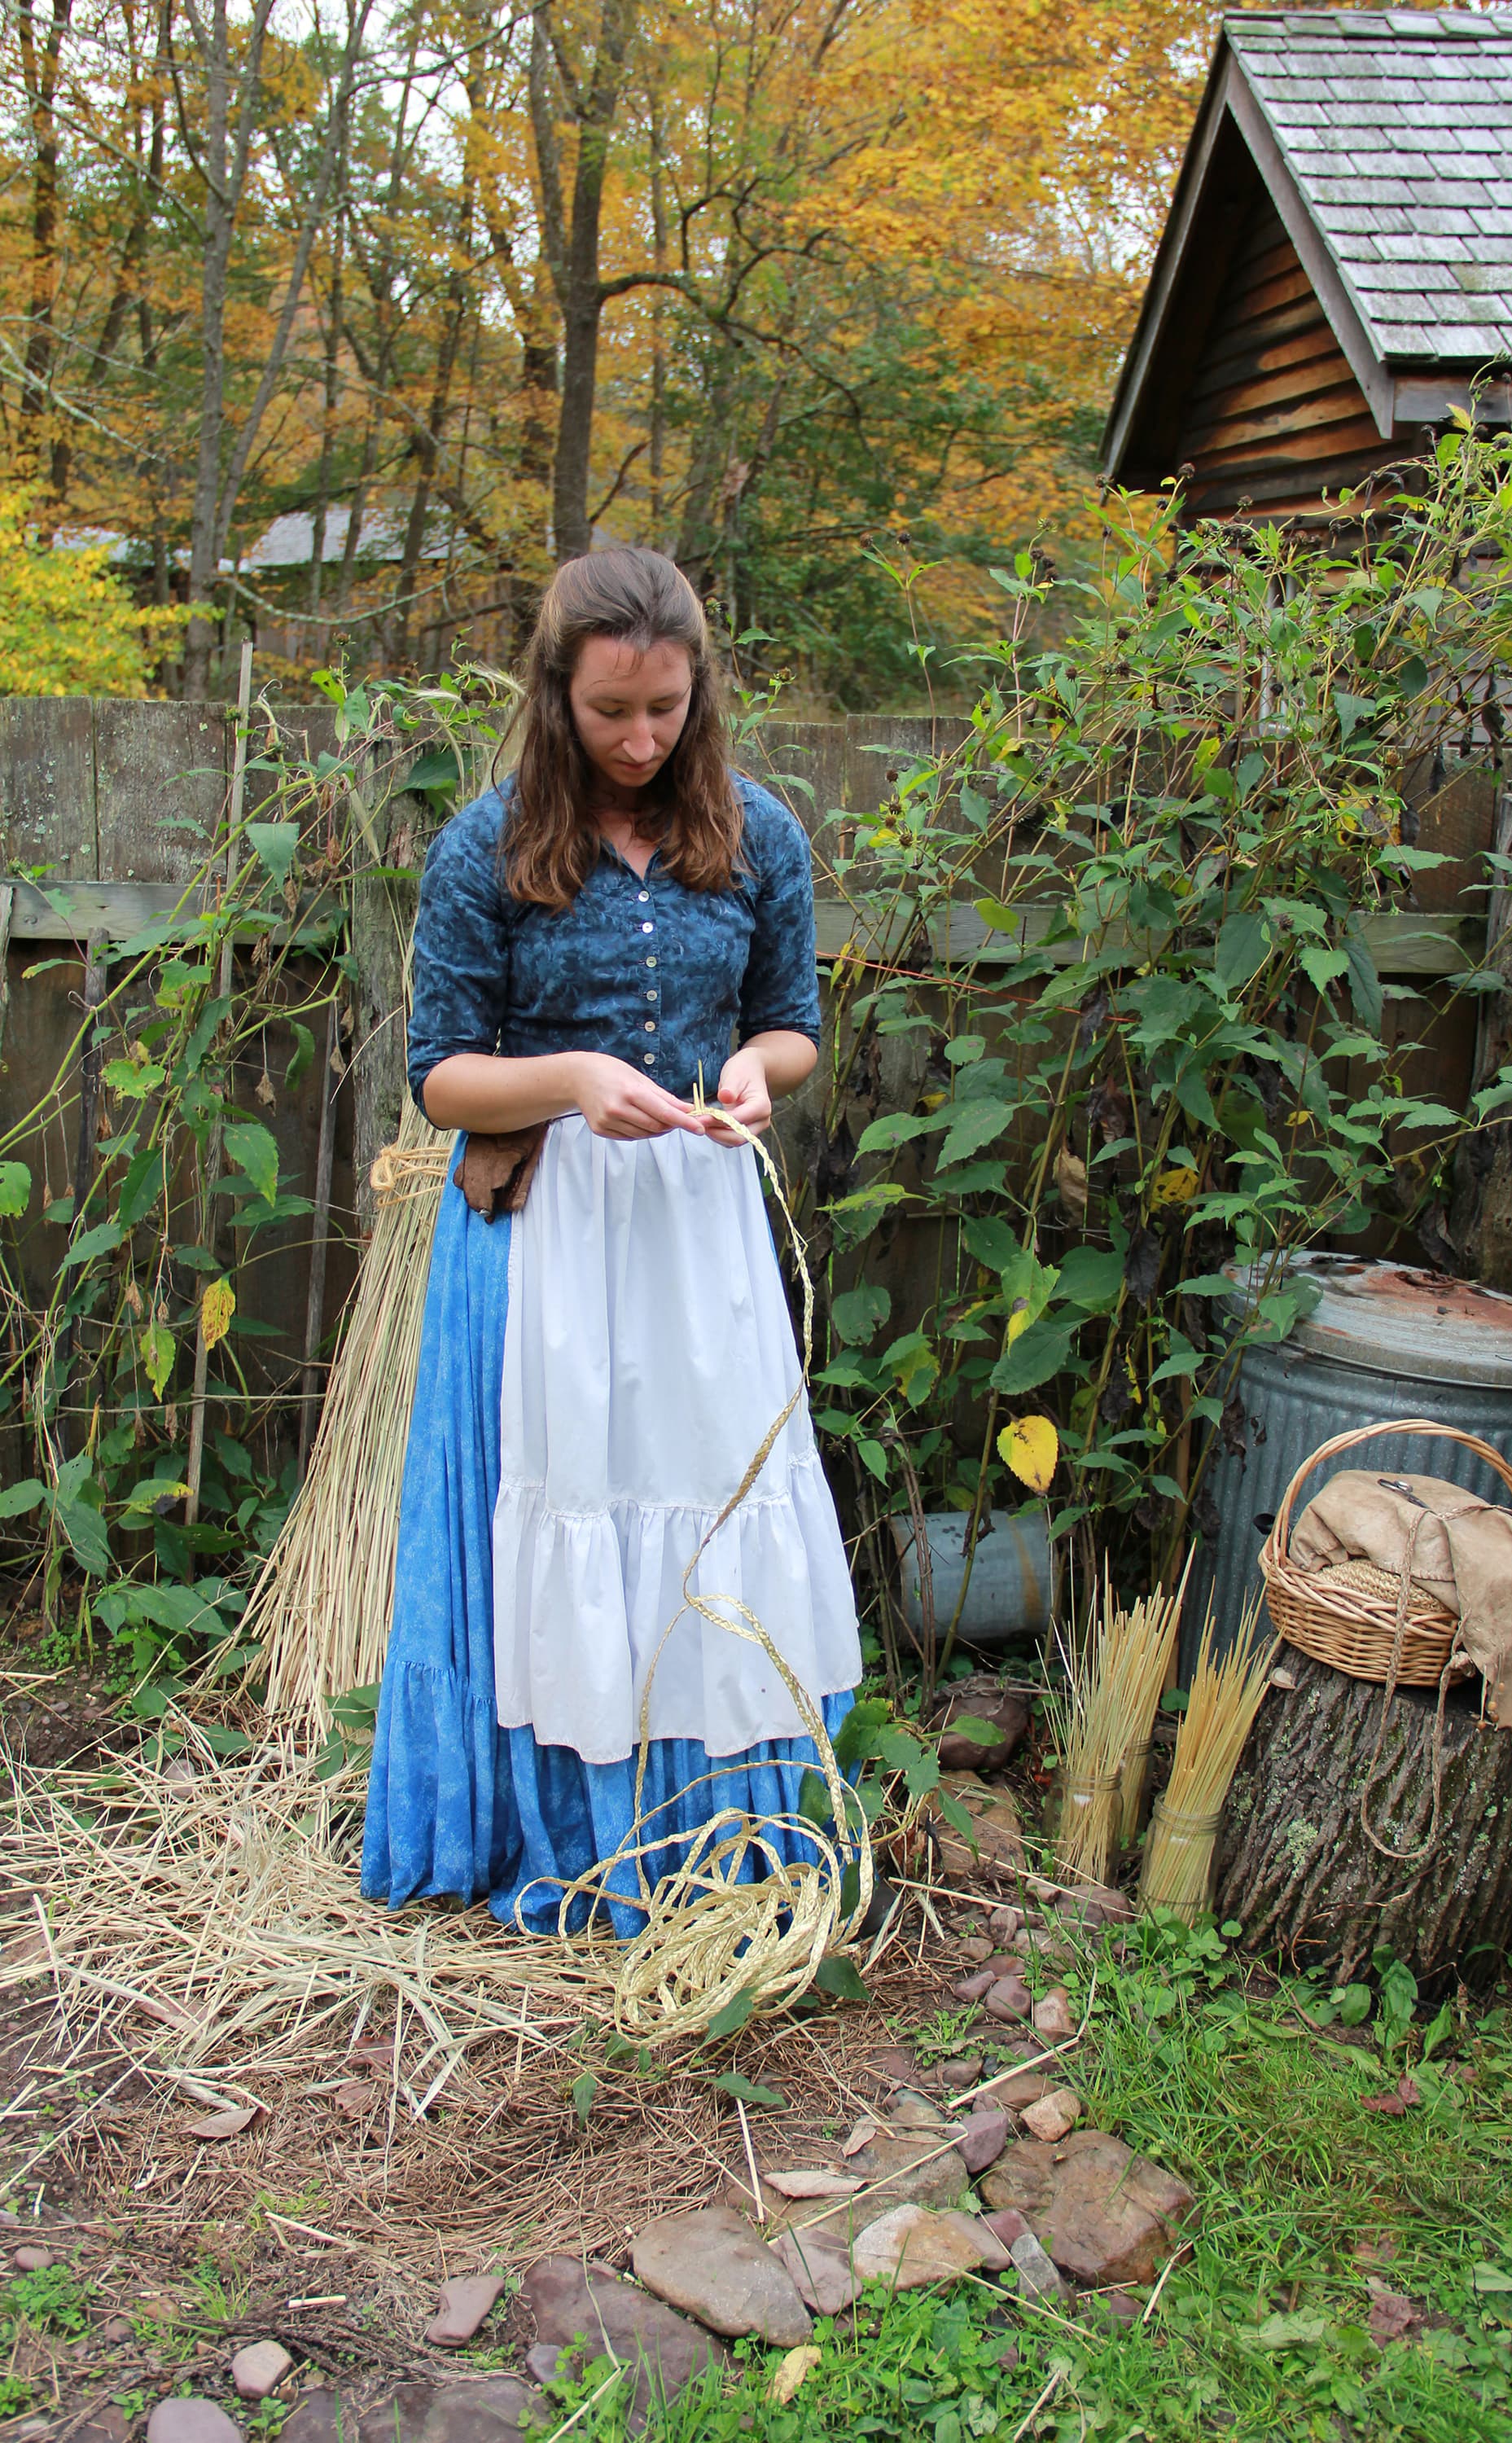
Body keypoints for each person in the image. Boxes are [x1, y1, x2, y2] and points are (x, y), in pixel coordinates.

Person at [360, 547, 861, 1936]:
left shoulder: (756, 833)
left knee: (706, 1520)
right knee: (568, 1518)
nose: (642, 740)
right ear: (555, 695)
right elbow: (442, 1077)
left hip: (700, 1239)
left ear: (700, 692)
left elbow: (792, 1022)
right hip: (543, 1250)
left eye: (667, 709)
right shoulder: (488, 844)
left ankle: (711, 1843)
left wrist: (764, 1070)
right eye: (610, 712)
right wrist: (575, 1079)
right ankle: (560, 1838)